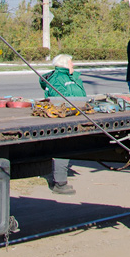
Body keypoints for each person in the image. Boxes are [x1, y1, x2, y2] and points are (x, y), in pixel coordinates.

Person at [40, 53, 86, 194]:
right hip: (63, 118)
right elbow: (58, 99)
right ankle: (60, 183)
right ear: (65, 64)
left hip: (74, 115)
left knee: (66, 147)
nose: (73, 65)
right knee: (63, 147)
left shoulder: (72, 77)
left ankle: (59, 180)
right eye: (71, 63)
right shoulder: (57, 79)